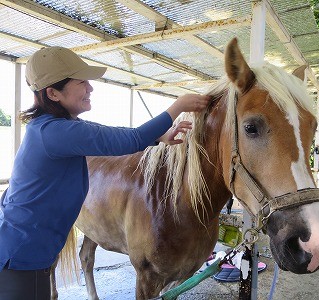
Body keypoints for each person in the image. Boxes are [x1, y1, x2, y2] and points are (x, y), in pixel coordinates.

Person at [0, 46, 210, 300]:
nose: (90, 88)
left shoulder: (55, 128)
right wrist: (177, 107)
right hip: (23, 257)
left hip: (26, 251)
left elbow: (113, 134)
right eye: (81, 82)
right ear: (53, 93)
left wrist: (158, 135)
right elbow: (128, 139)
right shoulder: (54, 133)